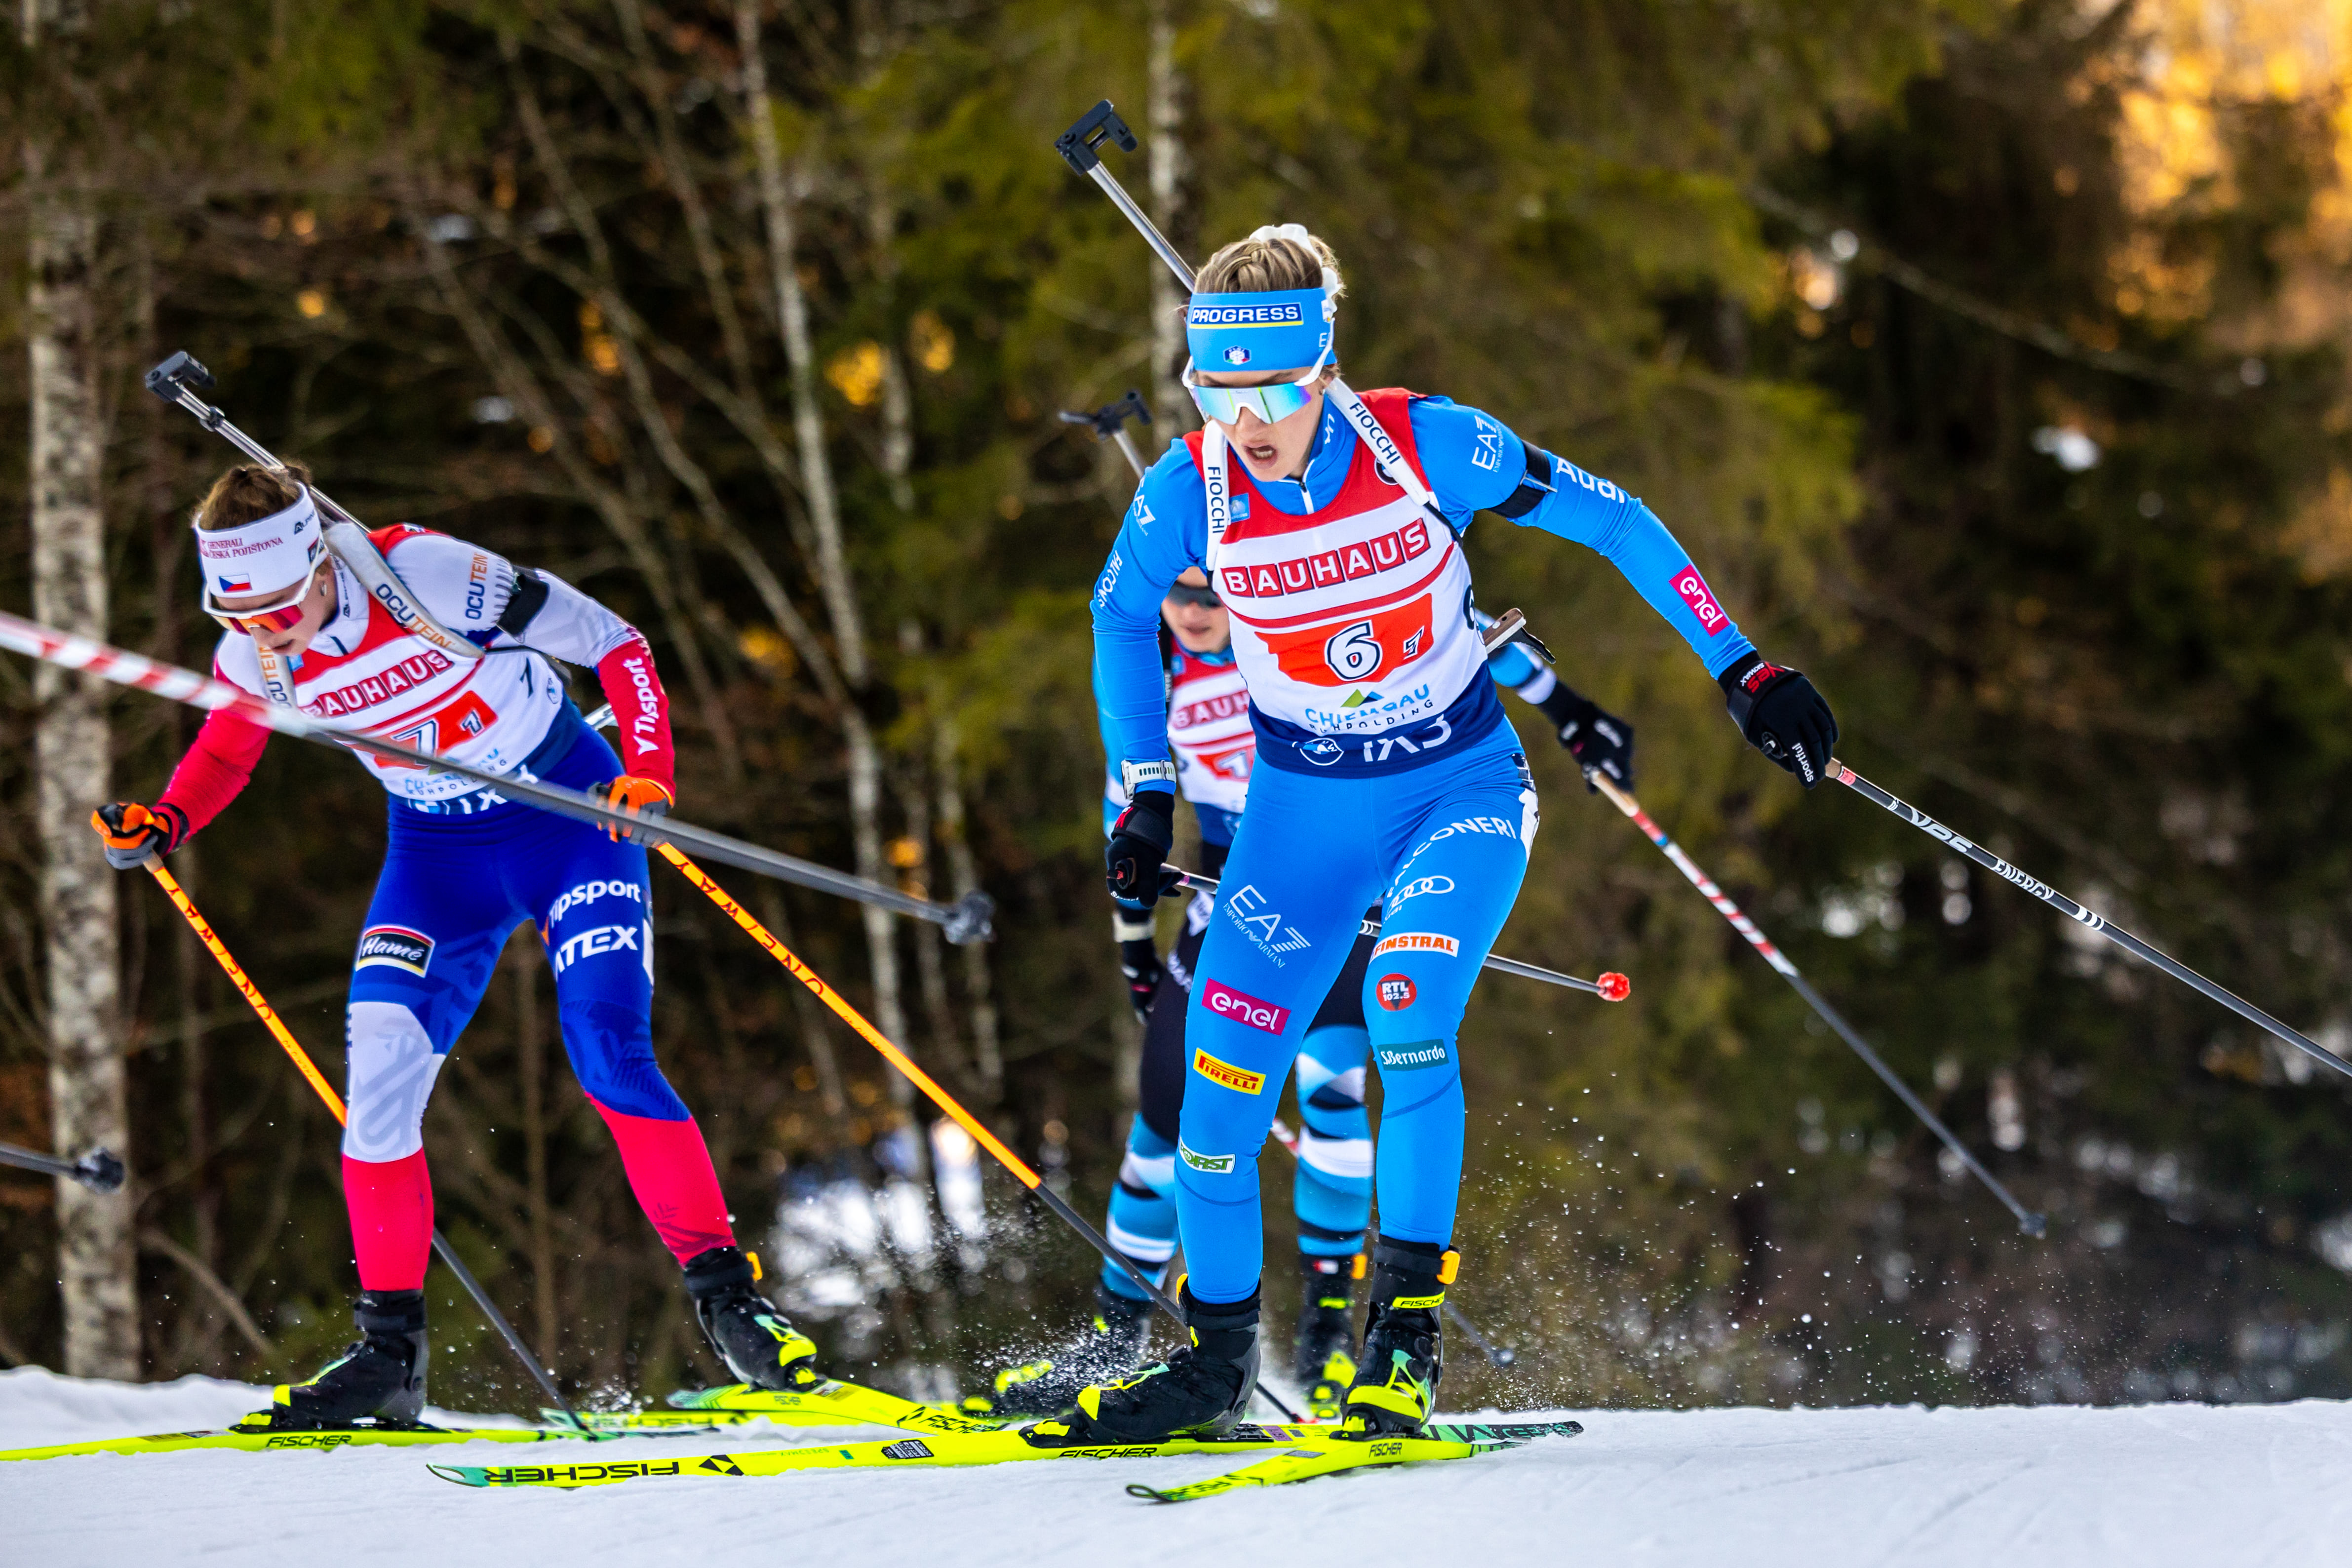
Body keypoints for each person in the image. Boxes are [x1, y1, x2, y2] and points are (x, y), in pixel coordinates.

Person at [1071, 225, 1838, 1442]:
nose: (1248, 423)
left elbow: (1619, 518)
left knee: (1406, 1008)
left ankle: (1403, 1344)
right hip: (1300, 816)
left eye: (1274, 393)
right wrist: (1145, 790)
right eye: (1218, 394)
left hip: (1457, 791)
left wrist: (1742, 667)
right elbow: (1117, 618)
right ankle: (1215, 1365)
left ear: (1323, 368)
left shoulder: (1423, 442)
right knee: (1215, 1104)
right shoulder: (1188, 489)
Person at [91, 463, 822, 1426]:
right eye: (238, 616)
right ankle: (389, 1357)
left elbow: (617, 643)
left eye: (278, 609)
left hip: (570, 816)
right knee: (379, 1080)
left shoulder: (426, 576)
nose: (265, 632)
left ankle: (733, 1306)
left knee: (608, 1050)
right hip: (436, 860)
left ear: (318, 565)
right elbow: (230, 745)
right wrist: (169, 819)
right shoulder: (255, 656)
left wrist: (648, 773)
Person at [981, 570, 1633, 1421]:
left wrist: (1568, 709)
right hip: (1236, 899)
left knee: (1334, 1092)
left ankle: (1331, 1337)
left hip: (1347, 886)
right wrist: (1134, 942)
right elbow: (1126, 803)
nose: (1195, 612)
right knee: (1168, 1117)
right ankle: (1114, 1340)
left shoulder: (1289, 629)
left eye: (1211, 596)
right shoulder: (1155, 676)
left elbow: (1454, 628)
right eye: (1179, 596)